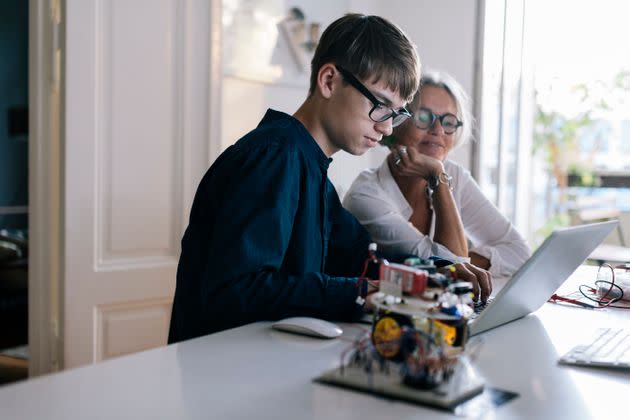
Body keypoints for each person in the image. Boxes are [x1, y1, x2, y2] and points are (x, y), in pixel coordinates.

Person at [168, 14, 421, 343]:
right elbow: (235, 290)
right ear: (329, 81)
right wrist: (358, 294)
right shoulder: (275, 157)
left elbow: (360, 258)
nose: (387, 128)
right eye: (380, 105)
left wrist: (433, 273)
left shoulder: (311, 169)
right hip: (221, 375)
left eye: (396, 114)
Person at [343, 70, 531, 300]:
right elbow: (455, 268)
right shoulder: (366, 195)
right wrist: (438, 177)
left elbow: (519, 253)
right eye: (423, 117)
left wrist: (463, 262)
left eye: (449, 121)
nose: (438, 130)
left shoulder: (455, 175)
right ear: (397, 120)